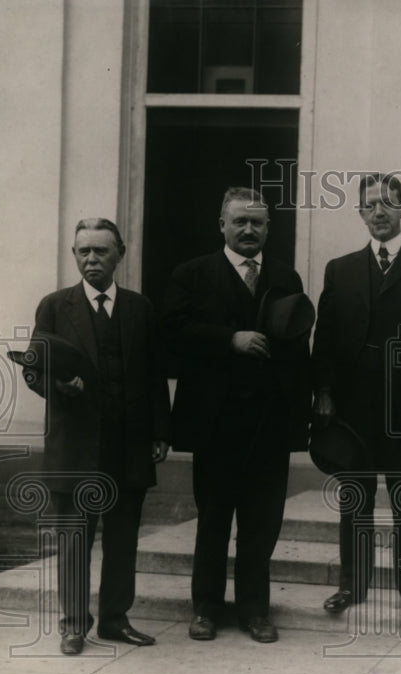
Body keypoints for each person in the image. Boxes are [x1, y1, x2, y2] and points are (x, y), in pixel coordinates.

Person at [163, 187, 312, 643]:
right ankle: (205, 608)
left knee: (261, 523)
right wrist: (230, 338)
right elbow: (171, 332)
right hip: (215, 424)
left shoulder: (286, 277)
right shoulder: (192, 274)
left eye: (258, 223)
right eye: (240, 222)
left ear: (269, 228)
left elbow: (298, 352)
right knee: (213, 519)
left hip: (268, 424)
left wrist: (300, 417)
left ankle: (254, 611)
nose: (249, 230)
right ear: (222, 225)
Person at [22, 218, 170, 655]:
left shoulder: (140, 308)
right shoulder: (54, 306)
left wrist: (160, 431)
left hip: (128, 446)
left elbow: (153, 375)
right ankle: (72, 625)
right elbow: (34, 367)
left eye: (101, 251)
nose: (91, 260)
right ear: (74, 255)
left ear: (119, 254)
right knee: (74, 540)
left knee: (123, 540)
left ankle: (114, 620)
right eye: (83, 251)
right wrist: (56, 387)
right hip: (75, 447)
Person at [313, 173, 401, 617]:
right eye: (370, 204)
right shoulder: (341, 269)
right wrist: (324, 392)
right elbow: (326, 337)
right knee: (355, 498)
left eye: (388, 204)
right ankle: (352, 587)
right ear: (359, 212)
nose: (379, 212)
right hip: (352, 405)